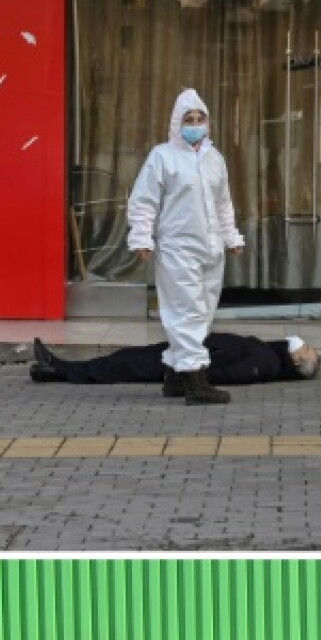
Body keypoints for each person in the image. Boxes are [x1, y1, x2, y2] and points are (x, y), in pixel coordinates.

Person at [126, 88, 244, 406]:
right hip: (177, 247)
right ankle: (195, 380)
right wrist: (141, 237)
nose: (194, 124)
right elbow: (144, 200)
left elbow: (223, 204)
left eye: (199, 118)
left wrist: (231, 237)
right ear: (176, 123)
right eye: (188, 119)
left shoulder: (214, 159)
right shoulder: (162, 157)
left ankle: (174, 374)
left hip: (211, 247)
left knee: (202, 311)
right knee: (187, 312)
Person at [29, 332, 321, 389]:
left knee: (122, 366)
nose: (307, 345)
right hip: (188, 349)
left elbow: (232, 373)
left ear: (297, 360)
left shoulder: (267, 363)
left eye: (308, 349)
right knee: (124, 360)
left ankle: (57, 369)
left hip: (187, 360)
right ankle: (55, 369)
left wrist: (189, 375)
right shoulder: (269, 353)